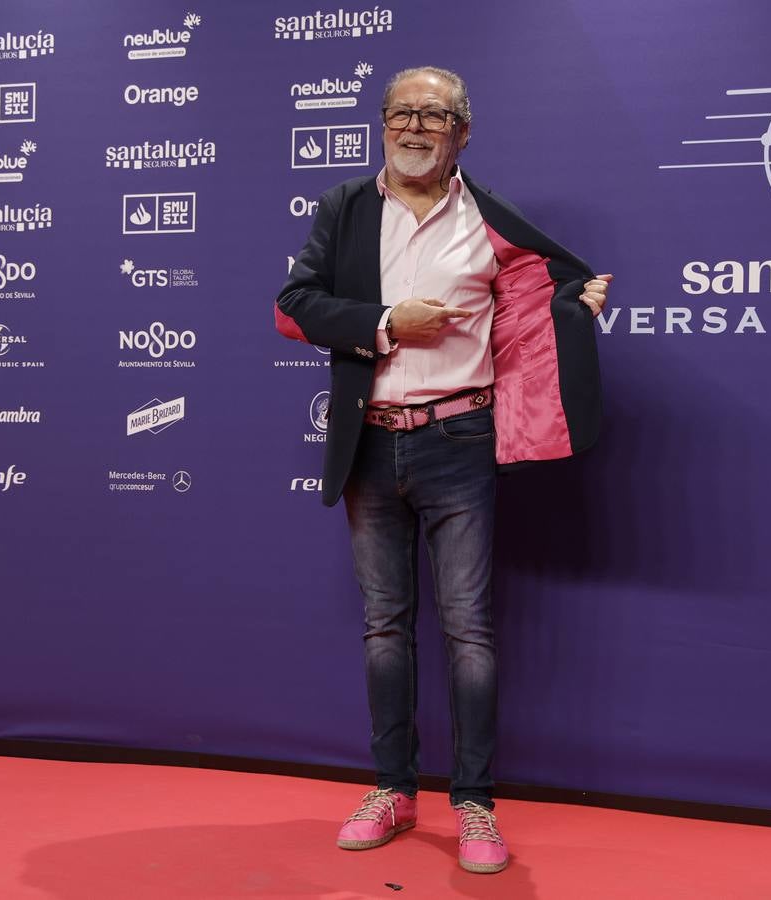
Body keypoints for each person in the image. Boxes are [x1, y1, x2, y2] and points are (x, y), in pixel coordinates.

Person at [275, 65, 611, 875]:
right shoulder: (345, 208)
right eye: (402, 113)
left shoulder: (487, 220)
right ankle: (391, 791)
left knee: (468, 630)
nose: (416, 127)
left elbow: (544, 297)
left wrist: (574, 311)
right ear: (382, 124)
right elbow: (295, 306)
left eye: (435, 115)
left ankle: (474, 805)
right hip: (368, 443)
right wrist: (389, 323)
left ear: (463, 131)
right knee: (385, 627)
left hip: (460, 439)